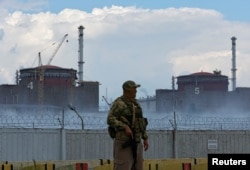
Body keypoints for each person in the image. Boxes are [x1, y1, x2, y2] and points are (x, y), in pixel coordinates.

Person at [107, 80, 149, 170]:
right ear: (127, 90)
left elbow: (141, 122)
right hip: (124, 141)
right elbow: (110, 119)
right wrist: (124, 126)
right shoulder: (119, 103)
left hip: (137, 141)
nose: (136, 91)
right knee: (123, 166)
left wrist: (145, 138)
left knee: (138, 166)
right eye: (134, 89)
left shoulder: (136, 104)